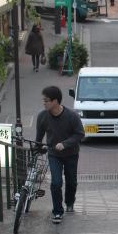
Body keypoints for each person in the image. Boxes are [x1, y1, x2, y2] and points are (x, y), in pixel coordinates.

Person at [35, 85, 85, 223]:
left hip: (71, 154)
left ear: (55, 101)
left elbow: (80, 134)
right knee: (56, 182)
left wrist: (65, 144)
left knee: (71, 182)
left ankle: (69, 202)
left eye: (46, 100)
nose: (43, 103)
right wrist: (37, 149)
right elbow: (39, 137)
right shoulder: (42, 116)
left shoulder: (71, 116)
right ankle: (57, 211)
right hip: (54, 155)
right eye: (43, 100)